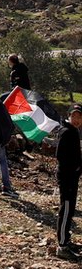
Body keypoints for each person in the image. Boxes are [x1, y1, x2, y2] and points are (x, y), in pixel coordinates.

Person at [56, 104, 82, 259]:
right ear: (69, 116)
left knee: (70, 209)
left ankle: (66, 238)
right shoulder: (67, 132)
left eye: (79, 117)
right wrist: (73, 169)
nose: (77, 120)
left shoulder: (74, 131)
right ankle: (62, 245)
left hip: (72, 177)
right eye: (74, 116)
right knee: (65, 210)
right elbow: (60, 156)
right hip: (67, 178)